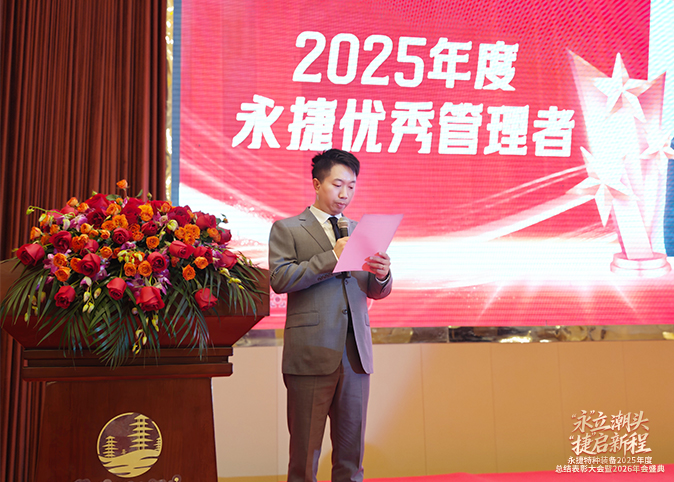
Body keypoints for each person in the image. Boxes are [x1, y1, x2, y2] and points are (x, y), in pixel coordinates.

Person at [268, 149, 392, 482]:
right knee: (304, 455)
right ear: (316, 184)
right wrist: (331, 258)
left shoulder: (361, 231)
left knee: (352, 456)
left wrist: (382, 275)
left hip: (355, 355)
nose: (344, 194)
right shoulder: (287, 228)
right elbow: (280, 279)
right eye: (337, 185)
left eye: (351, 186)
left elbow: (373, 290)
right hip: (311, 353)